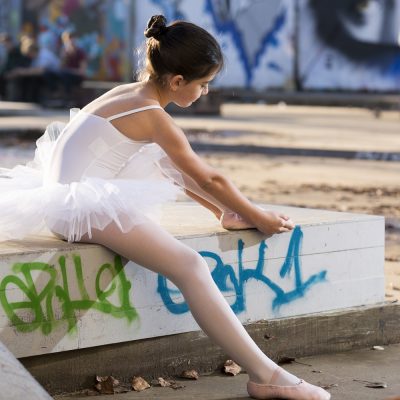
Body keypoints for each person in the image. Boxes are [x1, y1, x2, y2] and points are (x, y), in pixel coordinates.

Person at [0, 15, 330, 400]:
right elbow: (211, 179)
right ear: (177, 82)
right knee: (189, 265)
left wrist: (222, 211)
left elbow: (173, 167)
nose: (205, 93)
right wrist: (260, 216)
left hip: (67, 196)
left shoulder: (131, 93)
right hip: (78, 209)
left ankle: (225, 216)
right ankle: (266, 375)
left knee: (160, 157)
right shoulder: (152, 116)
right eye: (203, 85)